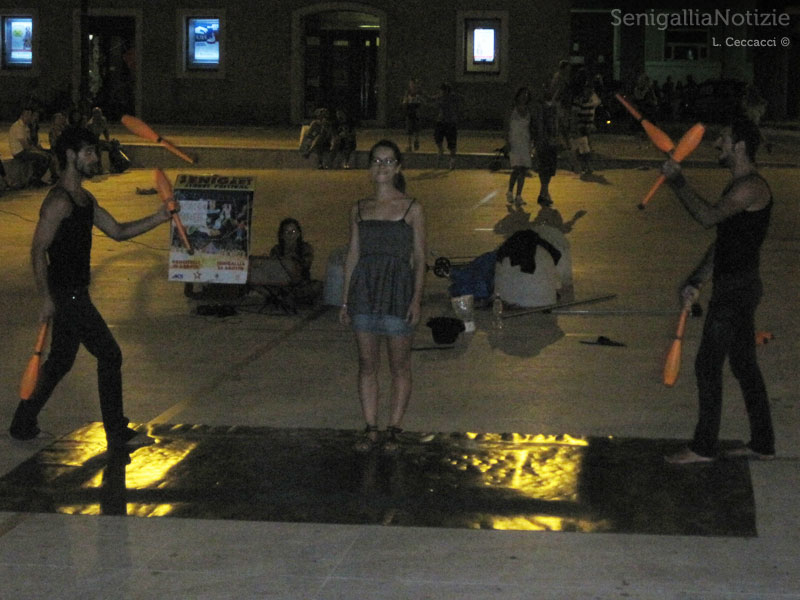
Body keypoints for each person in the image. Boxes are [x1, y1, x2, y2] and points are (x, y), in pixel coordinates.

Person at [9, 126, 172, 448]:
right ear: (71, 156)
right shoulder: (59, 201)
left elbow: (118, 232)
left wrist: (158, 217)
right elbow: (38, 250)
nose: (95, 158)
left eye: (94, 152)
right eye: (88, 152)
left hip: (75, 292)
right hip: (67, 294)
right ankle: (116, 432)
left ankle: (22, 424)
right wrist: (46, 298)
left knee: (60, 361)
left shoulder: (84, 199)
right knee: (110, 354)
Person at [661, 117, 775, 464]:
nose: (717, 144)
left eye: (723, 139)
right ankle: (763, 444)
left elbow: (708, 217)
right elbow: (724, 242)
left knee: (708, 365)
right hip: (737, 287)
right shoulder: (738, 186)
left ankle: (703, 447)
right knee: (743, 365)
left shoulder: (750, 187)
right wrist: (697, 279)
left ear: (740, 146)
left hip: (736, 291)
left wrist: (678, 181)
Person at [339, 140, 426, 453]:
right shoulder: (359, 209)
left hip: (398, 291)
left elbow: (420, 258)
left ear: (398, 167)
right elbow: (353, 255)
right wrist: (346, 300)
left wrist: (416, 299)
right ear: (369, 166)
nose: (382, 166)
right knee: (367, 363)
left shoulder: (412, 208)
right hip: (364, 291)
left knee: (399, 364)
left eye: (389, 161)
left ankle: (394, 429)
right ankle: (371, 427)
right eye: (377, 160)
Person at [269, 217, 322, 305]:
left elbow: (306, 265)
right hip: (281, 285)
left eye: (293, 231)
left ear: (298, 234)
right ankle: (285, 298)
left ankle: (289, 299)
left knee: (318, 286)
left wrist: (293, 258)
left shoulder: (305, 248)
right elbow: (273, 269)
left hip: (300, 285)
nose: (290, 235)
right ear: (282, 235)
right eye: (287, 232)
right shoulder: (276, 249)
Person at [8, 106, 52, 187]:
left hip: (23, 151)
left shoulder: (24, 126)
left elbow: (30, 142)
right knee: (43, 158)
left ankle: (36, 179)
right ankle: (35, 179)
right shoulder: (18, 127)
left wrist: (37, 150)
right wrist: (38, 151)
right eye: (27, 115)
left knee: (45, 156)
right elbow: (26, 146)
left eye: (29, 115)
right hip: (19, 152)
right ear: (21, 115)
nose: (28, 117)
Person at [530, 86, 560, 207]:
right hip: (543, 141)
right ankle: (544, 192)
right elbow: (537, 124)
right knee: (544, 168)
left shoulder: (554, 106)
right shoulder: (539, 106)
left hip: (552, 140)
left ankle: (544, 192)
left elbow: (557, 123)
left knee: (549, 169)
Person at [505, 87, 533, 206]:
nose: (524, 97)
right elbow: (506, 126)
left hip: (525, 142)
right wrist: (507, 142)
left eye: (526, 95)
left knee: (523, 169)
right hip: (514, 142)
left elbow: (530, 127)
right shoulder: (512, 109)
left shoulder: (528, 111)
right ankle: (510, 191)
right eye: (522, 94)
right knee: (516, 168)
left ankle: (518, 195)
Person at [432, 83, 459, 170]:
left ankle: (452, 160)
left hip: (450, 123)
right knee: (437, 138)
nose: (440, 92)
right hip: (441, 122)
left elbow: (437, 103)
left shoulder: (450, 98)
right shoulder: (441, 97)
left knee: (452, 143)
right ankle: (441, 150)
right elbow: (432, 99)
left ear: (445, 91)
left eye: (441, 91)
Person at [402, 78, 423, 152]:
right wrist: (405, 105)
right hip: (410, 111)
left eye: (413, 84)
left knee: (416, 128)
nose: (412, 85)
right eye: (411, 84)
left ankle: (416, 141)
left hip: (416, 111)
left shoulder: (419, 92)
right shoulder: (407, 92)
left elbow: (421, 101)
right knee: (409, 129)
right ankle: (409, 145)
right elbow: (405, 101)